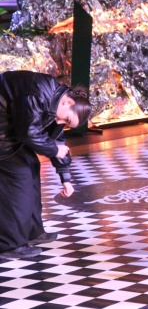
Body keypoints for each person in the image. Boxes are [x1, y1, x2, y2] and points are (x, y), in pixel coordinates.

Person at [0, 71, 92, 259]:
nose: (62, 123)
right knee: (18, 176)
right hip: (4, 130)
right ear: (69, 102)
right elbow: (28, 133)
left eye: (67, 124)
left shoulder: (57, 102)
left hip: (10, 128)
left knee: (31, 165)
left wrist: (65, 177)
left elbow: (56, 139)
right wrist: (54, 150)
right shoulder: (38, 93)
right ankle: (10, 245)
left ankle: (32, 232)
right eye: (67, 120)